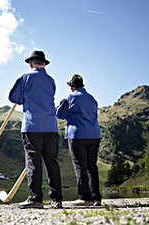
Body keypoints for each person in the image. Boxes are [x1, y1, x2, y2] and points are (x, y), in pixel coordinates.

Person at [9, 50, 63, 209]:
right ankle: (57, 199)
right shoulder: (51, 80)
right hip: (51, 126)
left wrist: (25, 97)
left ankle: (35, 198)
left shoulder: (25, 77)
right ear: (44, 64)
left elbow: (14, 98)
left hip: (32, 125)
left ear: (31, 63)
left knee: (33, 161)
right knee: (51, 162)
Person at [56, 74, 102, 206]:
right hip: (94, 135)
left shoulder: (69, 98)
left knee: (80, 166)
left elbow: (59, 115)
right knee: (92, 167)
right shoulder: (92, 99)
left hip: (77, 135)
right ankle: (96, 198)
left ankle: (84, 197)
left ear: (71, 87)